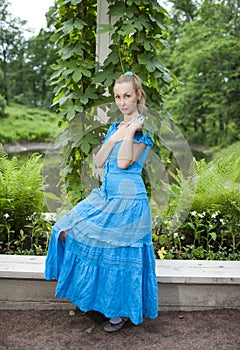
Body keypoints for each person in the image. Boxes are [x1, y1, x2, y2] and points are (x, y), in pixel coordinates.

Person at [45, 72, 159, 332]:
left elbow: (122, 162)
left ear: (138, 96)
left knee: (117, 255)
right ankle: (95, 298)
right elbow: (98, 161)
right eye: (118, 96)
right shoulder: (114, 128)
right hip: (106, 195)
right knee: (64, 229)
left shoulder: (144, 132)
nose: (122, 102)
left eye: (127, 96)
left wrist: (130, 132)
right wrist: (117, 135)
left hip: (129, 200)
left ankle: (119, 312)